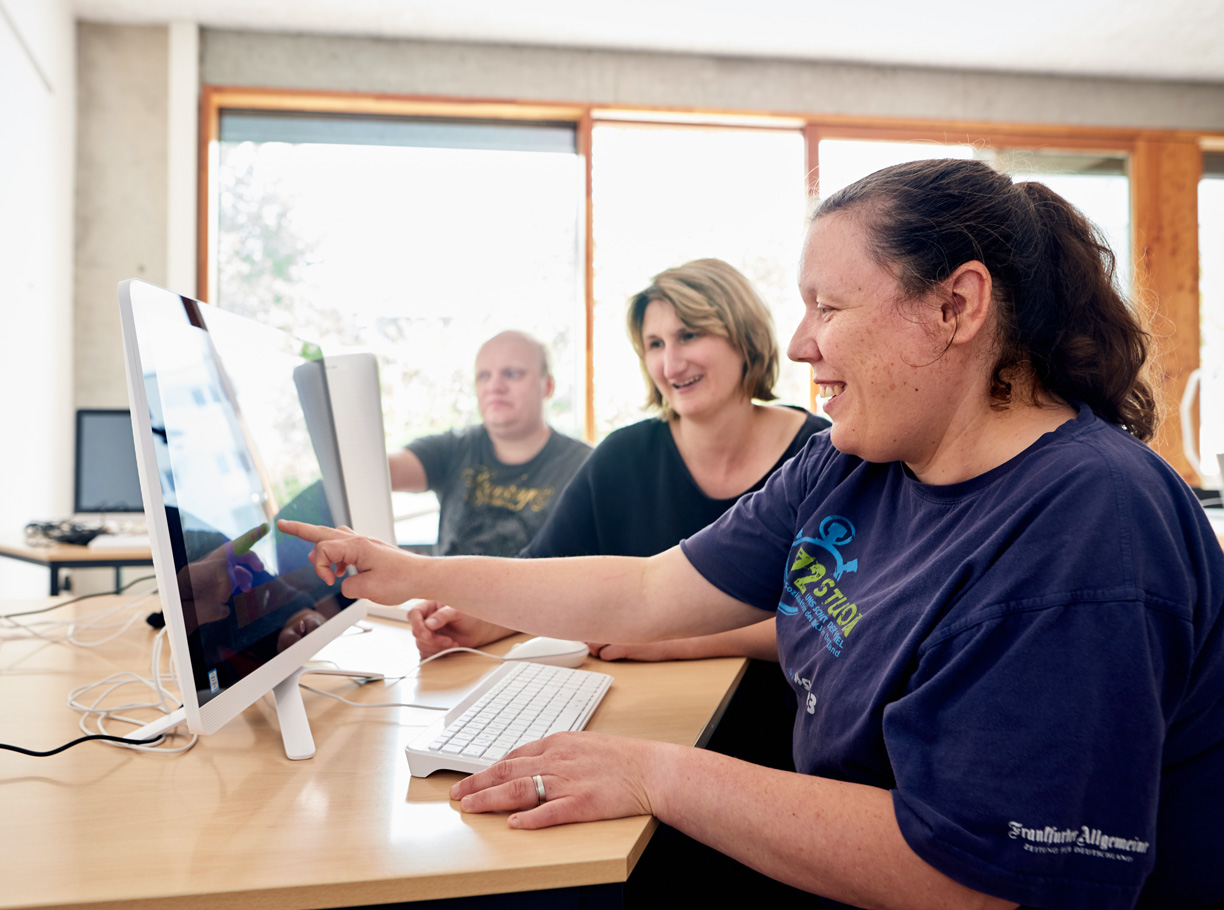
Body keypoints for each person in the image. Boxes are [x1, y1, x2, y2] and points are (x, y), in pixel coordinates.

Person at [283, 159, 1224, 910]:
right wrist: (408, 572)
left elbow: (973, 878)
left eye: (830, 307)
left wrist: (657, 775)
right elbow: (650, 591)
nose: (802, 343)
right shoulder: (856, 461)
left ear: (956, 307)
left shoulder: (1088, 521)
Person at [409, 259, 828, 674]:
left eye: (689, 335)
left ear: (745, 337)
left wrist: (677, 639)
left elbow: (829, 619)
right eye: (655, 344)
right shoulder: (623, 455)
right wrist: (478, 621)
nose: (671, 365)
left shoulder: (820, 456)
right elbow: (542, 571)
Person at [388, 330, 591, 558]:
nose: (494, 386)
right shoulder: (453, 449)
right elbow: (380, 470)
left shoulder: (585, 467)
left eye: (512, 374)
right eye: (484, 376)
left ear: (548, 386)